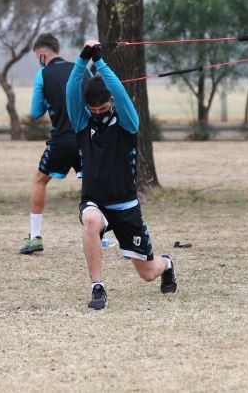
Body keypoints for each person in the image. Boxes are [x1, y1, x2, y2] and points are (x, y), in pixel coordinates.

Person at [66, 40, 176, 309]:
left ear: (110, 103)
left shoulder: (127, 122)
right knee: (90, 222)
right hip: (96, 201)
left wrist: (100, 63)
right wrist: (82, 59)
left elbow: (121, 93)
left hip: (126, 206)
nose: (98, 114)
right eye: (94, 110)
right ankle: (97, 287)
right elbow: (71, 91)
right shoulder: (82, 123)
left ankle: (168, 264)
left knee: (148, 273)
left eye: (103, 109)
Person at [21, 34, 115, 254]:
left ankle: (34, 237)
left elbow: (35, 113)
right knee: (92, 186)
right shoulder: (83, 70)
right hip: (86, 140)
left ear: (42, 54)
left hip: (61, 141)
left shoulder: (43, 74)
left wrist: (47, 99)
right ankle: (100, 236)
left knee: (40, 181)